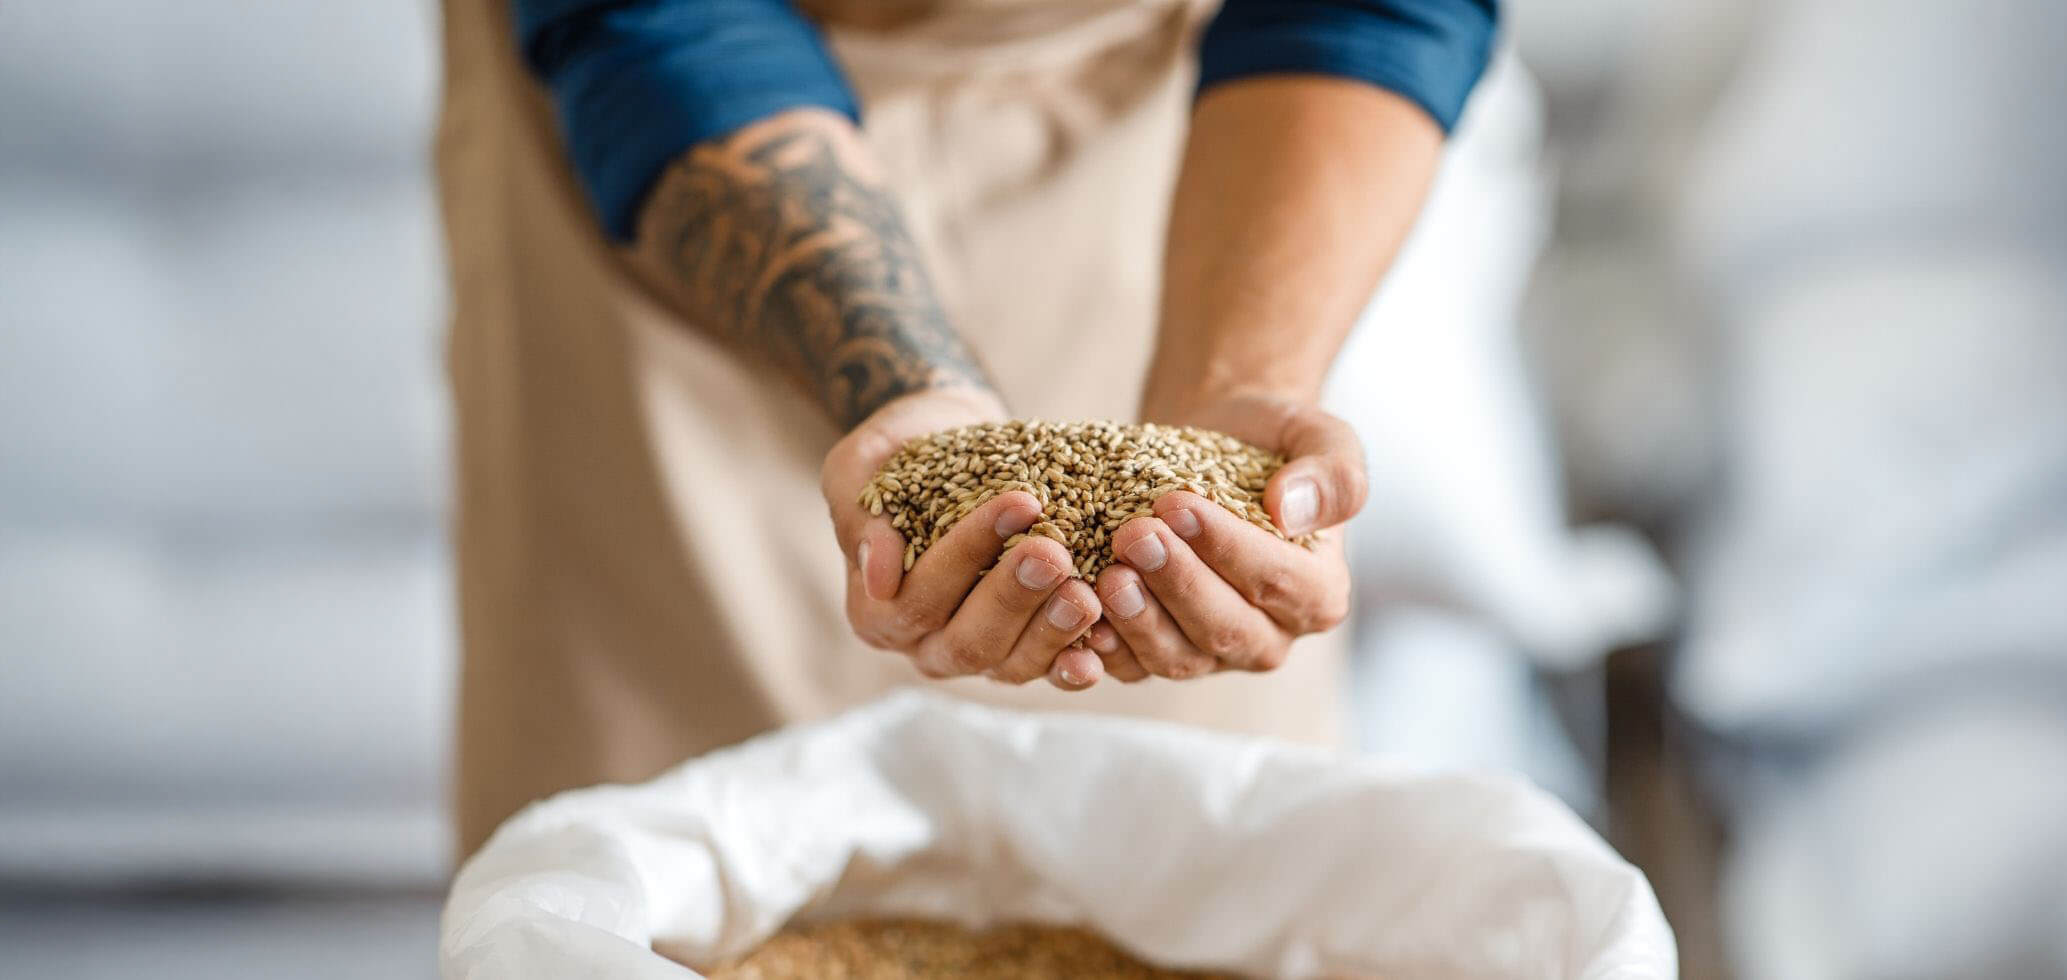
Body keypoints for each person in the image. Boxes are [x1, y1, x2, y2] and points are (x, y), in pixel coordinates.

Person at [436, 0, 1497, 854]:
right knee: (663, 862)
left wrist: (1239, 390)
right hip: (673, 185)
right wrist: (900, 387)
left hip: (1191, 177)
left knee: (1168, 852)